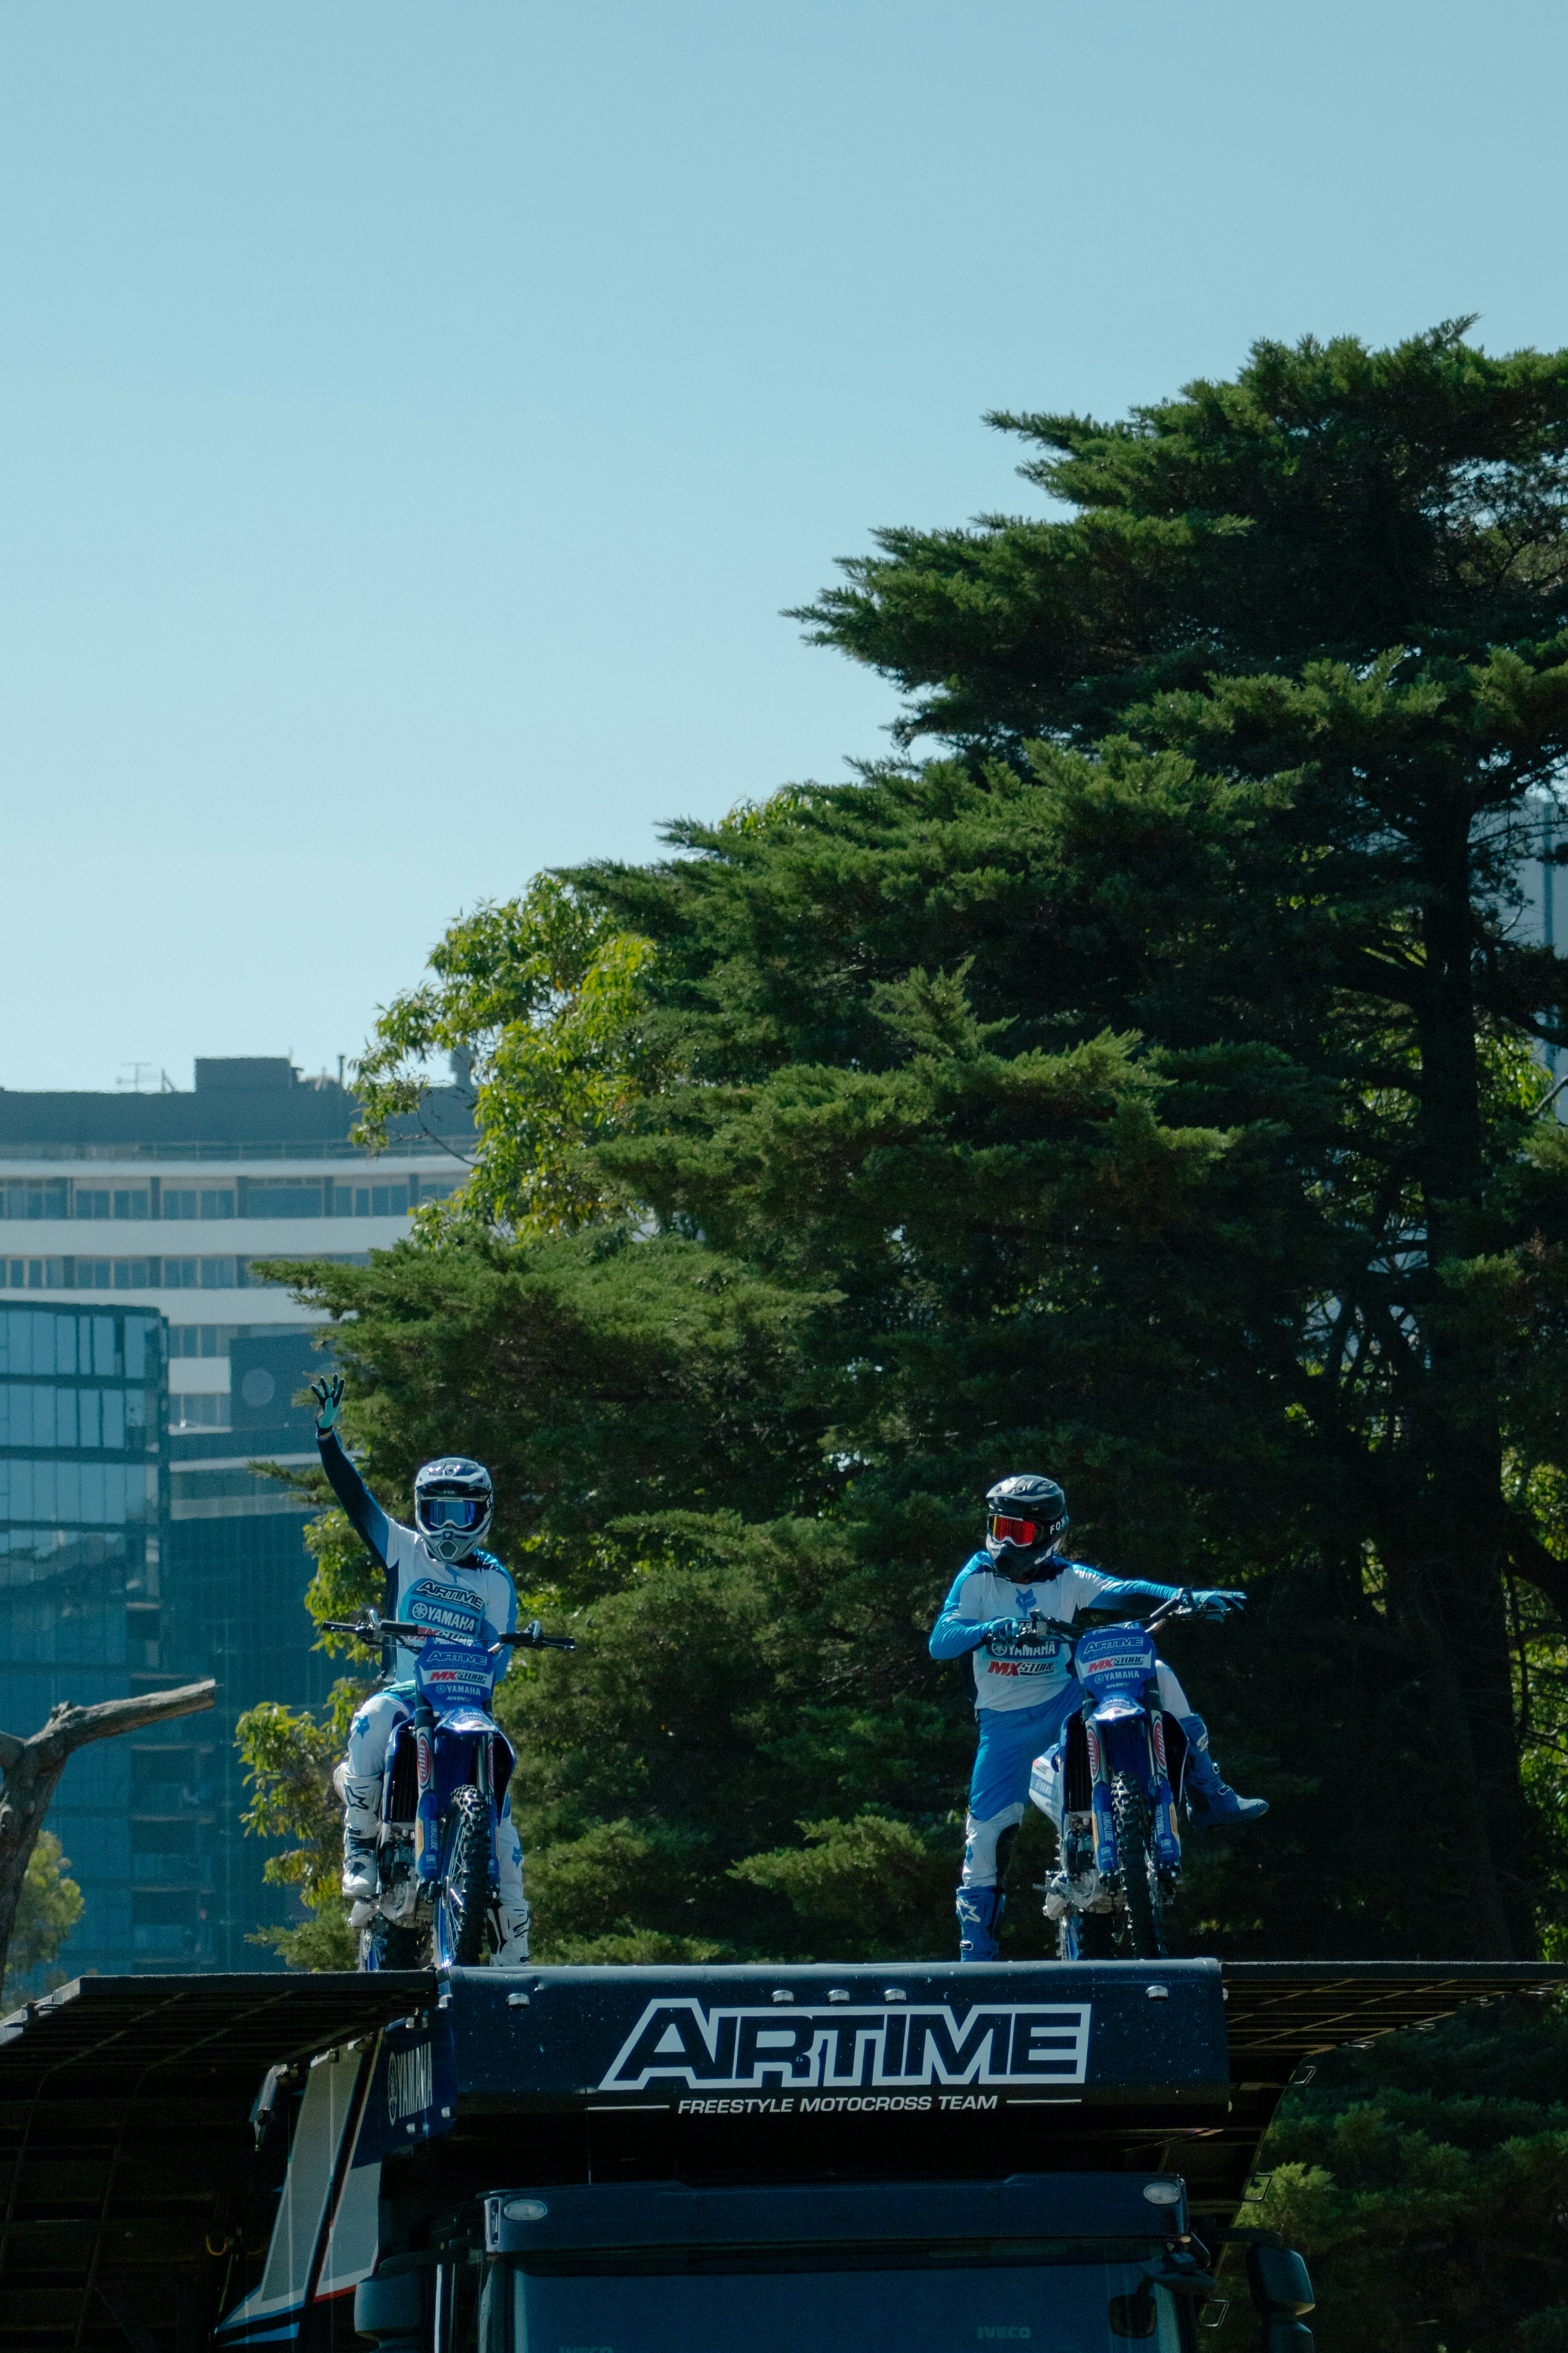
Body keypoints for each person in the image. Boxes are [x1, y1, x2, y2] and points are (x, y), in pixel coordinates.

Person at [930, 1472, 1267, 1962]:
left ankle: (1207, 1792)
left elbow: (1126, 1590)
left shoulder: (1067, 1577)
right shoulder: (978, 1576)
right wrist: (992, 1628)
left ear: (1049, 1534)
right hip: (1004, 1724)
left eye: (1019, 1533)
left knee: (1155, 1670)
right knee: (984, 1837)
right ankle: (976, 1958)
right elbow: (941, 1641)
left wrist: (1189, 1597)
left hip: (1066, 1700)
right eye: (998, 1526)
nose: (1004, 1542)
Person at [310, 1372, 532, 1965]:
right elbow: (356, 1499)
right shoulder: (403, 1547)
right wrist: (329, 1438)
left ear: (482, 1513)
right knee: (369, 1720)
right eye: (438, 1511)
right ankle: (359, 1845)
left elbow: (499, 1658)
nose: (450, 1527)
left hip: (467, 1707)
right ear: (420, 1511)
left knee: (506, 1836)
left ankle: (515, 1953)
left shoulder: (495, 1579)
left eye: (462, 1512)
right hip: (410, 1693)